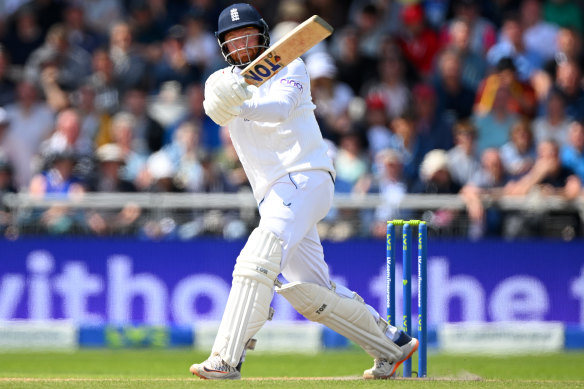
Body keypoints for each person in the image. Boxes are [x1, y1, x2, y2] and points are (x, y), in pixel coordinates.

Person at [189, 3, 418, 380]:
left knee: (256, 259)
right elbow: (214, 109)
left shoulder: (290, 67)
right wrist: (225, 94)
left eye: (247, 33)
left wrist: (241, 98)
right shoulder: (219, 80)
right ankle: (391, 344)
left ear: (262, 35)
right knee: (311, 293)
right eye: (232, 38)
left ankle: (226, 359)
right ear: (222, 45)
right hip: (273, 196)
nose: (241, 42)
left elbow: (278, 110)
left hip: (305, 177)